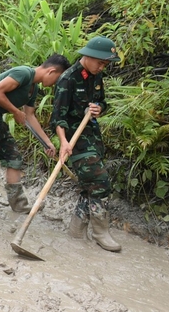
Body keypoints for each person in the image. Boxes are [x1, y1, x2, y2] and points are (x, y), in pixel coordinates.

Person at [50, 36, 122, 252]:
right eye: (100, 63)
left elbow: (102, 101)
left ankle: (76, 231)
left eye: (105, 64)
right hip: (75, 140)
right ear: (88, 57)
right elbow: (57, 118)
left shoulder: (96, 77)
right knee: (100, 183)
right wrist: (63, 143)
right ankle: (101, 232)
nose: (102, 67)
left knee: (88, 185)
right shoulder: (67, 79)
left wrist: (100, 108)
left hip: (92, 136)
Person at [0, 54, 71, 214]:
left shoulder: (33, 89)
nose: (53, 85)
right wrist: (15, 111)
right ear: (51, 71)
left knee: (13, 157)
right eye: (56, 79)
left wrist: (47, 142)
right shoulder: (24, 73)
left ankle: (19, 205)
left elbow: (29, 116)